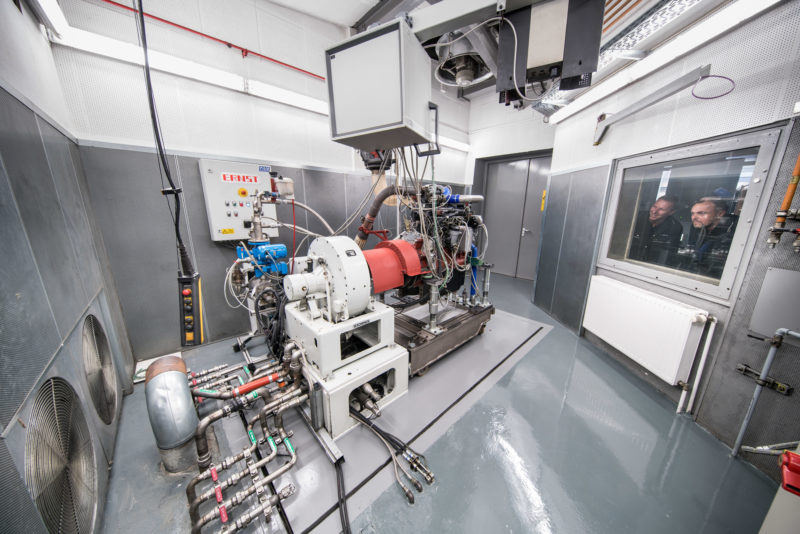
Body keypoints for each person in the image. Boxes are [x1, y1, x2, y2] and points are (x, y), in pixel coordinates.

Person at [681, 198, 733, 278]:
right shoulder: (697, 226)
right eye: (693, 213)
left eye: (701, 213)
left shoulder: (731, 232)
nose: (694, 217)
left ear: (719, 214)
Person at [628, 195, 683, 266]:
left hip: (653, 268)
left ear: (671, 212)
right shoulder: (636, 217)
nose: (654, 211)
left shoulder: (675, 227)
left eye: (661, 209)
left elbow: (670, 254)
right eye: (654, 206)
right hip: (629, 264)